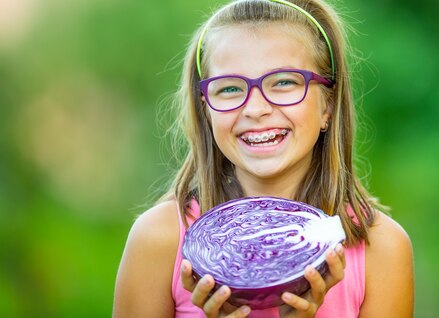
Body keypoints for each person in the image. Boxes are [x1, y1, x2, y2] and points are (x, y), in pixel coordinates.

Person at [113, 0, 414, 317]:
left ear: (327, 104)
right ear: (206, 108)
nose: (256, 109)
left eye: (284, 82)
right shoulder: (159, 241)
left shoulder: (382, 250)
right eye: (229, 88)